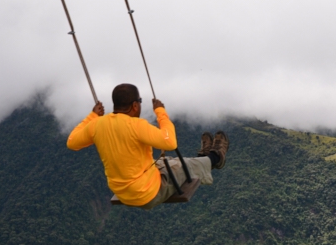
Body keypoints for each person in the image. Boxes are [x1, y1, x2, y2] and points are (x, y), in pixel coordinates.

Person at [67, 83, 228, 209]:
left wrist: (93, 115)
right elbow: (170, 141)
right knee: (184, 166)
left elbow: (72, 142)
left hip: (122, 193)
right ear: (135, 105)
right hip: (148, 192)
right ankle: (215, 158)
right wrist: (160, 112)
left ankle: (204, 158)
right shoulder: (137, 126)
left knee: (171, 161)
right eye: (140, 101)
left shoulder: (97, 125)